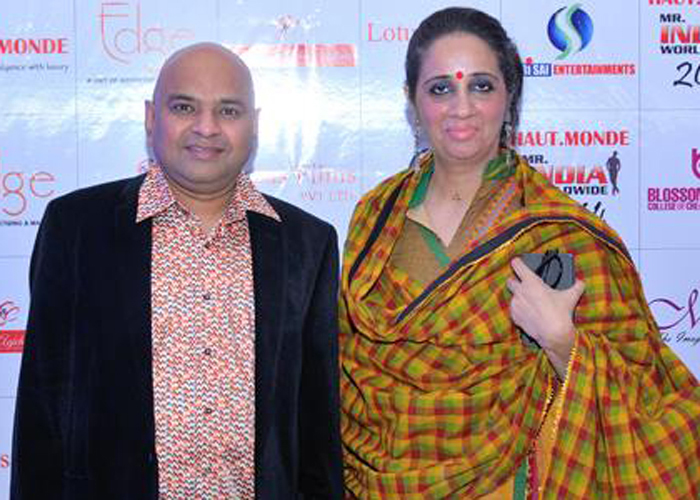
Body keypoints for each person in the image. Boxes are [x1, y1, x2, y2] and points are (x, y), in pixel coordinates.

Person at [339, 7, 700, 499]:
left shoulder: (559, 232)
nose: (461, 108)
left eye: (481, 86)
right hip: (380, 484)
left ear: (510, 96)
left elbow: (650, 397)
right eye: (440, 88)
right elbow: (345, 370)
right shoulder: (374, 218)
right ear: (412, 101)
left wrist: (564, 344)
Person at [11, 42, 343, 499]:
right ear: (151, 117)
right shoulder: (77, 228)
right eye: (184, 107)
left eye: (228, 111)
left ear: (254, 125)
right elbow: (42, 406)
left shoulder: (307, 242)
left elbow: (317, 422)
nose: (206, 127)